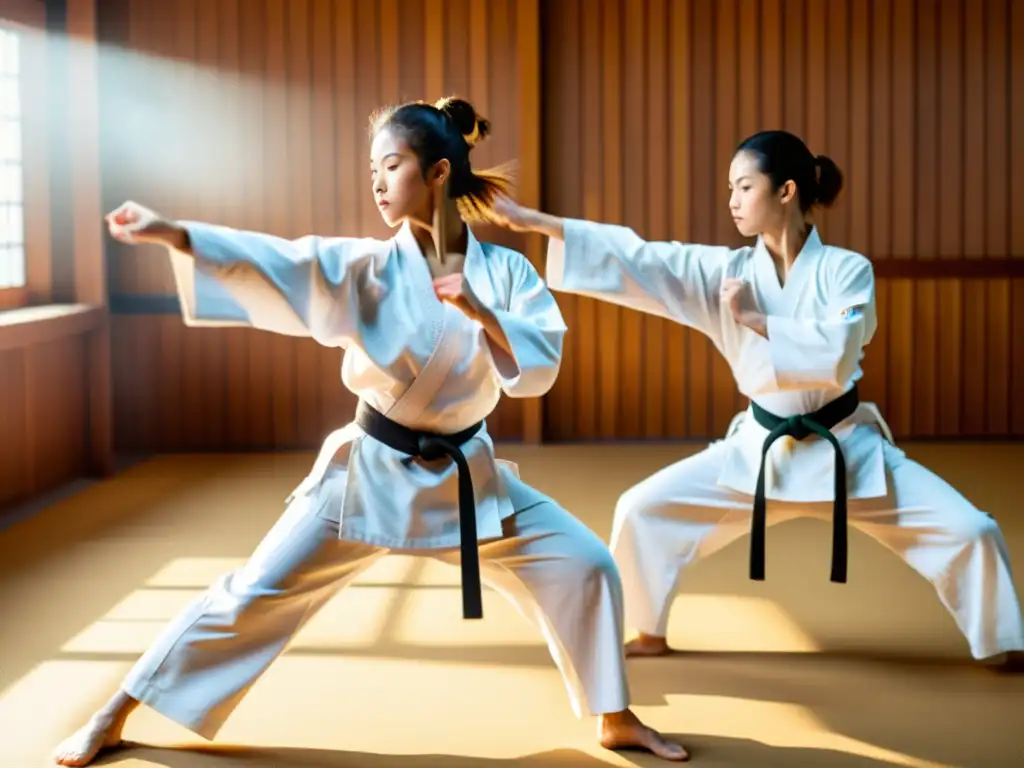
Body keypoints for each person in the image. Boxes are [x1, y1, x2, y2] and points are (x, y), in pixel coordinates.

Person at [52, 97, 689, 766]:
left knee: (586, 564)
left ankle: (614, 717)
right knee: (252, 594)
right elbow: (284, 262)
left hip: (467, 477)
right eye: (373, 169)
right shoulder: (366, 266)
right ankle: (113, 711)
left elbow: (537, 368)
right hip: (369, 474)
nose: (377, 183)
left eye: (392, 166)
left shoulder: (507, 274)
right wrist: (177, 235)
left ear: (439, 172)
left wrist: (479, 312)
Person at [491, 129, 1024, 669]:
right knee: (641, 510)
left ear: (786, 191)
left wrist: (756, 319)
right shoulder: (727, 272)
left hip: (845, 451)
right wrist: (530, 221)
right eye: (730, 188)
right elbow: (642, 258)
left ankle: (1003, 641)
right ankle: (646, 630)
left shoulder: (846, 270)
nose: (732, 201)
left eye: (744, 187)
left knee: (972, 530)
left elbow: (839, 351)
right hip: (758, 450)